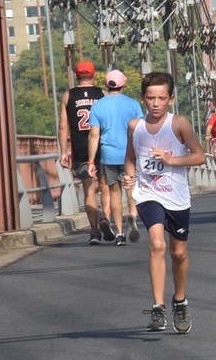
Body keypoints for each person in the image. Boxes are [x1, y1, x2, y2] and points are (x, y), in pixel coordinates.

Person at [121, 71, 207, 333]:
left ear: (170, 98)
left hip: (177, 197)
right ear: (143, 99)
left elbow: (199, 156)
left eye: (161, 98)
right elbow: (130, 158)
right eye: (150, 98)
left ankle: (179, 300)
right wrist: (129, 184)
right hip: (148, 193)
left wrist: (172, 161)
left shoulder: (178, 123)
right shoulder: (135, 126)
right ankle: (158, 308)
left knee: (178, 252)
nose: (155, 103)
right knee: (157, 244)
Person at [85, 69, 145, 245]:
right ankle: (132, 214)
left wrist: (90, 161)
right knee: (131, 188)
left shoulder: (97, 106)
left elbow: (94, 136)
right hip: (129, 154)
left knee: (114, 193)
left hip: (108, 155)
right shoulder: (133, 104)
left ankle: (119, 234)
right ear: (123, 84)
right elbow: (140, 130)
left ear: (106, 85)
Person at [58, 60, 107, 243]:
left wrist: (64, 151)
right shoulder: (102, 94)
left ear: (77, 76)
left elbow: (63, 127)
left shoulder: (68, 96)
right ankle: (105, 218)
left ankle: (94, 232)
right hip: (102, 147)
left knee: (89, 191)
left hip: (80, 149)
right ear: (93, 75)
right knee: (105, 187)